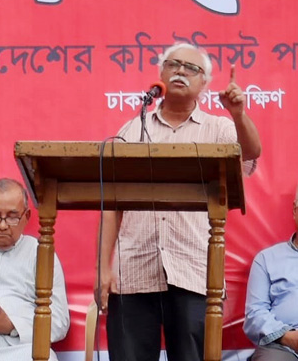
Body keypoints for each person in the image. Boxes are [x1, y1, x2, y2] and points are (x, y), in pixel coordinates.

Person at [96, 43, 261, 361]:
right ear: (160, 74)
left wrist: (238, 114)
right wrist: (103, 269)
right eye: (173, 65)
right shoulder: (132, 130)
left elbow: (251, 153)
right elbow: (111, 206)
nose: (181, 71)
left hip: (193, 269)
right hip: (132, 271)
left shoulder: (219, 129)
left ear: (205, 84)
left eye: (192, 68)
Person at [0, 179, 70, 361]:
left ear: (27, 216)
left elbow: (60, 322)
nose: (3, 225)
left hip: (21, 348)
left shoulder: (41, 253)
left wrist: (11, 326)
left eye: (12, 217)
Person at [243, 190, 298, 360]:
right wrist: (287, 336)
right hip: (282, 345)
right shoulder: (267, 259)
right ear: (295, 211)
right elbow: (255, 314)